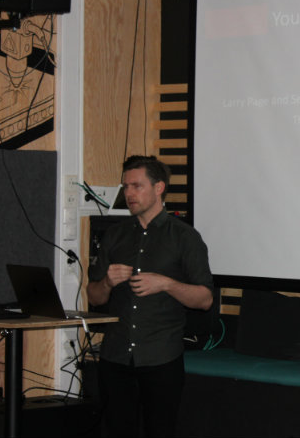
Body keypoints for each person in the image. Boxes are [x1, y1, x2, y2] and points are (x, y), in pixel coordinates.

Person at [88, 155, 215, 438]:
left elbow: (205, 299)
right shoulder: (115, 235)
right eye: (126, 187)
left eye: (137, 186)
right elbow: (94, 297)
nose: (129, 194)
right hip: (116, 356)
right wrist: (107, 282)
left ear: (159, 188)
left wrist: (166, 284)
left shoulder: (185, 237)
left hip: (161, 357)